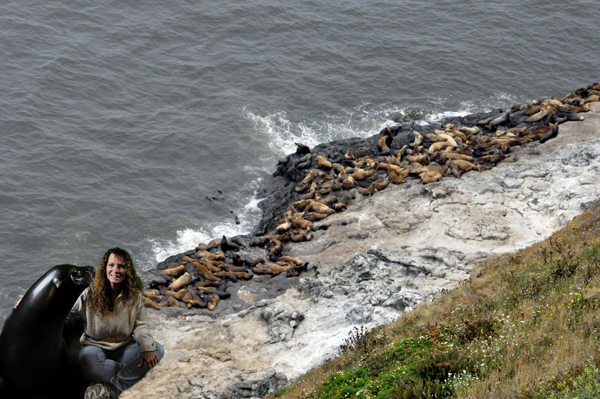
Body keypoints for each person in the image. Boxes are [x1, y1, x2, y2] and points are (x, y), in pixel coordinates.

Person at [71, 247, 164, 399]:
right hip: (94, 348)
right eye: (111, 265)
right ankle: (134, 373)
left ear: (127, 270)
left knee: (157, 350)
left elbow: (141, 325)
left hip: (125, 349)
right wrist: (33, 305)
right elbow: (67, 313)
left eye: (121, 266)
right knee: (86, 359)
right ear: (104, 268)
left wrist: (146, 346)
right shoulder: (90, 294)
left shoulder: (133, 296)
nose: (116, 270)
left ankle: (110, 388)